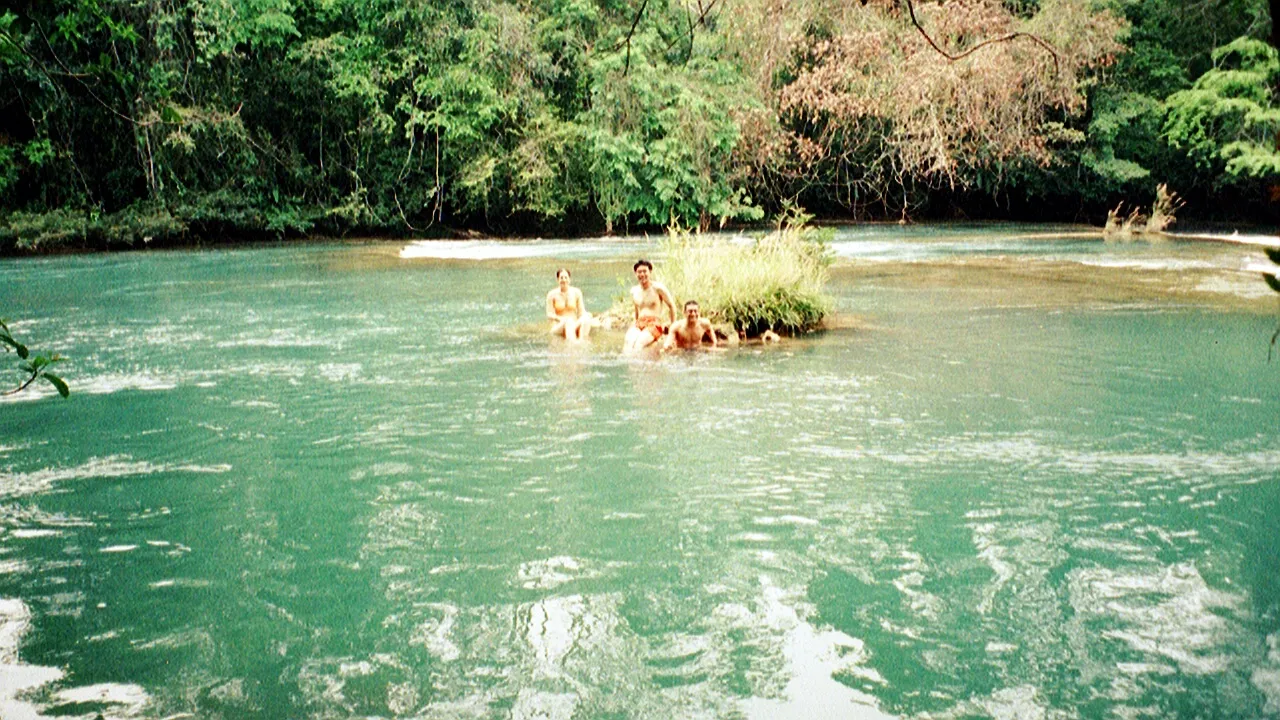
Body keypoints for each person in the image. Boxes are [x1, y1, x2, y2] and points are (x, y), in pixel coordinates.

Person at [624, 259, 676, 353]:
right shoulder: (634, 291)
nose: (642, 274)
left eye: (645, 271)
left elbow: (671, 306)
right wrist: (634, 324)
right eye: (639, 272)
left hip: (654, 323)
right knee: (628, 342)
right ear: (636, 274)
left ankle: (640, 365)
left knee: (639, 344)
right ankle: (631, 366)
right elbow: (636, 310)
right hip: (639, 322)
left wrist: (673, 330)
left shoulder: (658, 288)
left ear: (650, 272)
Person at [546, 268, 592, 341]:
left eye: (566, 277)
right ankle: (572, 345)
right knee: (568, 322)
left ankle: (582, 342)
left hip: (574, 324)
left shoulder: (576, 292)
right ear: (558, 280)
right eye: (561, 278)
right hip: (559, 326)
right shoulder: (552, 295)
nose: (564, 280)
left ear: (569, 279)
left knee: (587, 318)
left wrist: (586, 316)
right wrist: (562, 319)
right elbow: (549, 314)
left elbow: (581, 311)